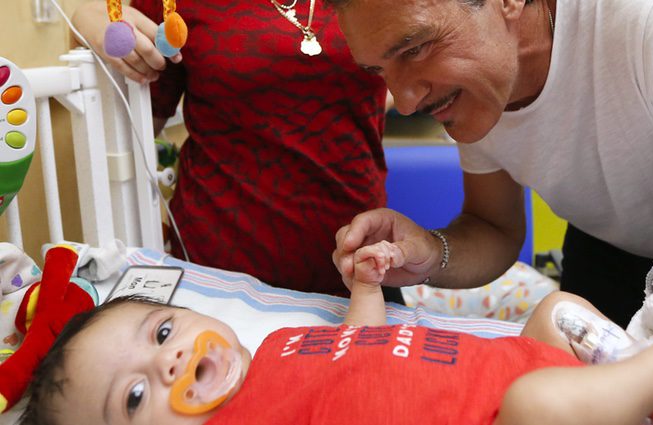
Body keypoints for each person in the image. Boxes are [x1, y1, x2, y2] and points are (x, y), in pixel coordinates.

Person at [326, 0, 653, 327]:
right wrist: (429, 253)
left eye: (415, 49)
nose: (405, 100)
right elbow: (493, 226)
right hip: (613, 247)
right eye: (380, 70)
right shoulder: (480, 77)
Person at [19, 240, 653, 425]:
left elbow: (354, 346)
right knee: (540, 404)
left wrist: (365, 289)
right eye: (138, 394)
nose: (173, 354)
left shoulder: (277, 346)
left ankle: (652, 390)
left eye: (163, 328)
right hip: (510, 414)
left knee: (552, 310)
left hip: (533, 363)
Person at [70, 0, 406, 302]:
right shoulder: (174, 5)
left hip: (358, 264)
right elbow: (131, 125)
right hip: (218, 268)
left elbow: (410, 84)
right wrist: (85, 21)